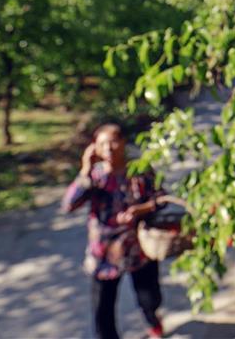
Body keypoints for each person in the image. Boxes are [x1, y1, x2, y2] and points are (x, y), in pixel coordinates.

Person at [62, 123, 165, 339]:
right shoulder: (95, 176)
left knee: (149, 297)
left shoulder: (140, 169)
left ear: (123, 143)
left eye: (113, 142)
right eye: (102, 144)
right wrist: (84, 170)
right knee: (102, 308)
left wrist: (141, 209)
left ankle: (152, 320)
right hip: (104, 253)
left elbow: (161, 198)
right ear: (95, 149)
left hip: (138, 248)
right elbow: (69, 205)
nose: (109, 148)